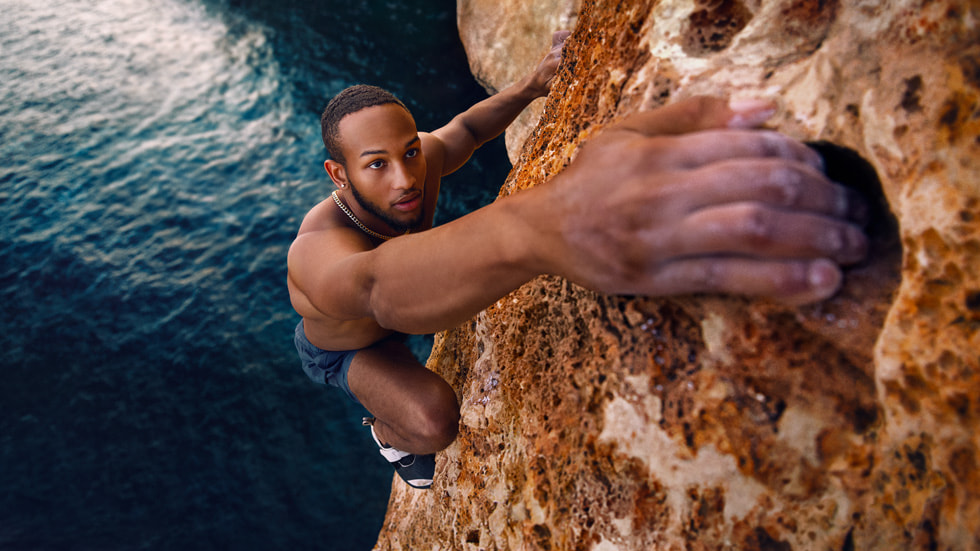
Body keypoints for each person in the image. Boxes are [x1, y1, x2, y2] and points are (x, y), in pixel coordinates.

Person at [287, 32, 869, 490]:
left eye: (409, 151)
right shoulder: (318, 252)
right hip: (350, 346)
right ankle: (382, 430)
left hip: (408, 292)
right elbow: (376, 287)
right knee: (433, 422)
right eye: (376, 165)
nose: (407, 177)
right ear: (339, 174)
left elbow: (466, 128)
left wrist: (532, 85)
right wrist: (550, 223)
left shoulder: (418, 163)